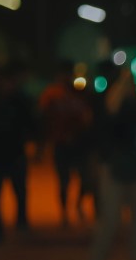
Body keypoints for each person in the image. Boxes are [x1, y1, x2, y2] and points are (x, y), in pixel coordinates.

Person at [89, 60, 136, 260]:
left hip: (128, 165)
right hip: (122, 166)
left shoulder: (128, 106)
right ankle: (102, 259)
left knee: (131, 217)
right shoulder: (110, 106)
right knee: (121, 218)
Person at [0, 61, 38, 243]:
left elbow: (31, 123)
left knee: (20, 191)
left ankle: (21, 223)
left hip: (15, 152)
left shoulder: (19, 100)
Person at [39, 60, 95, 227]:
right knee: (63, 180)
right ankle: (64, 214)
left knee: (86, 178)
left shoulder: (80, 92)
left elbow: (88, 117)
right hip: (61, 143)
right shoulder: (51, 94)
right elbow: (44, 118)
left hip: (79, 143)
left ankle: (78, 204)